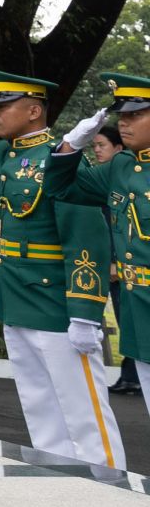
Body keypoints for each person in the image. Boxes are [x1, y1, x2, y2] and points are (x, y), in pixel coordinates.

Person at [0, 69, 122, 468]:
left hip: (55, 305)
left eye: (3, 106)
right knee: (40, 403)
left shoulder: (61, 162)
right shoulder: (3, 154)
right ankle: (59, 478)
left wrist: (86, 312)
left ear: (34, 110)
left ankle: (109, 486)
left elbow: (87, 243)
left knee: (82, 410)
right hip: (15, 299)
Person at [46, 75, 150, 416]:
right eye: (122, 114)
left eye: (136, 114)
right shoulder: (121, 166)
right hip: (138, 305)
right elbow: (61, 188)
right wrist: (70, 147)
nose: (124, 121)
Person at [85, 127, 142, 396]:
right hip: (98, 266)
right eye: (94, 145)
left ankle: (132, 376)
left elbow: (122, 229)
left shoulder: (127, 179)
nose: (97, 150)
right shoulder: (101, 180)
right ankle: (129, 375)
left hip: (122, 270)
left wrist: (115, 263)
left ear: (119, 150)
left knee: (130, 322)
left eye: (102, 145)